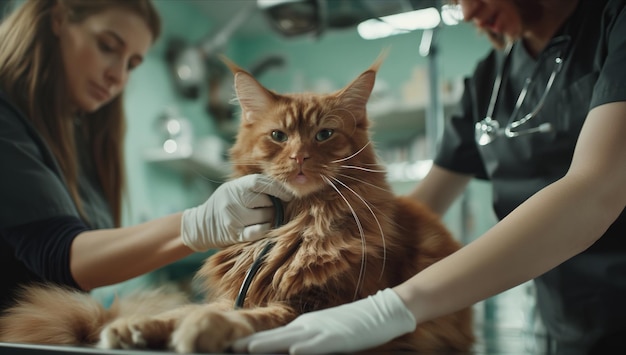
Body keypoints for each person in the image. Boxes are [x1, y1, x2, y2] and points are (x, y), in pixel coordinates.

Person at [233, 0, 626, 354]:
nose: (468, 12)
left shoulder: (615, 24)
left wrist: (394, 307)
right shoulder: (492, 78)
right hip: (563, 314)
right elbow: (422, 205)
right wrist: (321, 238)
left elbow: (597, 190)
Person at [0, 0, 290, 311]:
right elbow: (59, 255)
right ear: (58, 19)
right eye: (107, 46)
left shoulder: (77, 135)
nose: (118, 77)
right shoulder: (7, 121)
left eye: (132, 64)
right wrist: (198, 224)